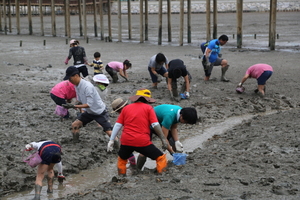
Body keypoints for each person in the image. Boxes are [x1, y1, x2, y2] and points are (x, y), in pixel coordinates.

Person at [107, 89, 168, 175]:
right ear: (147, 99)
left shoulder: (126, 108)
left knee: (122, 159)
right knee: (160, 158)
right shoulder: (148, 108)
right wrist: (163, 139)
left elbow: (117, 125)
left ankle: (120, 179)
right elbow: (155, 125)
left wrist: (111, 140)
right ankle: (161, 175)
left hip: (126, 141)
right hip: (142, 141)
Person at [136, 104, 198, 170]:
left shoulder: (180, 112)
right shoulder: (169, 117)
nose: (184, 124)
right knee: (145, 149)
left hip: (159, 122)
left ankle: (177, 161)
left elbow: (174, 128)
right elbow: (164, 139)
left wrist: (177, 141)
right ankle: (138, 169)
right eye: (185, 122)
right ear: (181, 116)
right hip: (146, 124)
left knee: (173, 142)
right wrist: (171, 152)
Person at [61, 66, 114, 143]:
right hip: (89, 112)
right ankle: (75, 142)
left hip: (99, 112)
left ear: (76, 76)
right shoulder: (77, 86)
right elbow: (79, 100)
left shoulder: (87, 86)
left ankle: (119, 148)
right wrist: (70, 104)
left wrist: (74, 106)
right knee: (75, 125)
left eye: (70, 78)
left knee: (109, 132)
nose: (70, 81)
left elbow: (89, 104)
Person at [111, 98, 136, 166]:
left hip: (132, 135)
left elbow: (117, 126)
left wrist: (111, 140)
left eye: (118, 111)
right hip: (141, 134)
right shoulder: (134, 109)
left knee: (126, 151)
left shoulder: (125, 114)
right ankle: (135, 166)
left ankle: (133, 167)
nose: (118, 113)